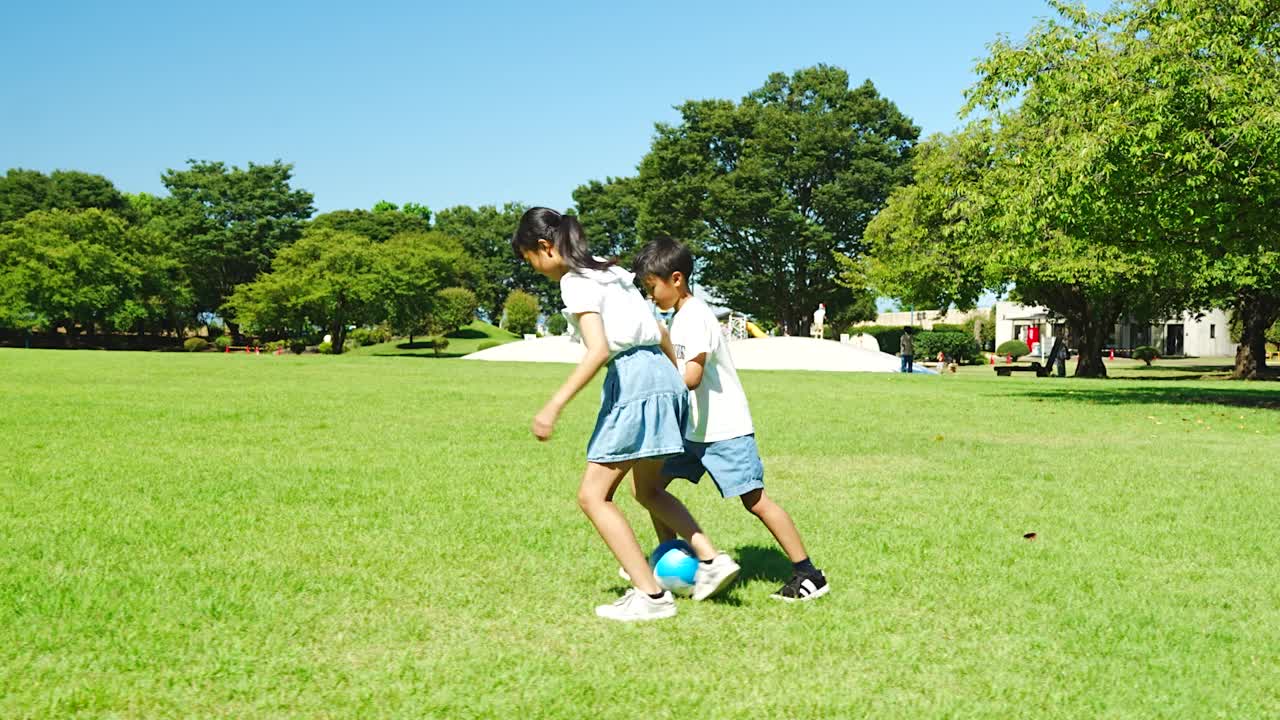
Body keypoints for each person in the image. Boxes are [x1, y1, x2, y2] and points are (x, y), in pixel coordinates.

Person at [511, 208, 739, 622]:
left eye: (530, 260)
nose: (535, 269)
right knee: (648, 491)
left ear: (545, 248)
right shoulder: (609, 273)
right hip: (661, 374)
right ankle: (711, 558)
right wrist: (672, 381)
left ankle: (651, 596)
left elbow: (598, 350)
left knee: (593, 496)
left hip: (633, 379)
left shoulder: (574, 282)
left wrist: (554, 404)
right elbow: (662, 331)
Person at [630, 236, 829, 602]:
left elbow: (690, 376)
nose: (650, 296)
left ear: (676, 279)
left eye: (651, 287)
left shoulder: (694, 317)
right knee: (649, 488)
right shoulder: (679, 316)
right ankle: (671, 561)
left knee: (755, 500)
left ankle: (809, 574)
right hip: (692, 429)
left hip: (723, 430)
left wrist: (652, 378)